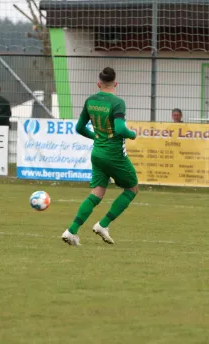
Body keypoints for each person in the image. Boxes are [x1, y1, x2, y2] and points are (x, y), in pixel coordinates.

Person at [62, 67, 139, 246]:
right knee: (132, 189)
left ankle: (71, 230)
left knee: (96, 193)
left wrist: (95, 136)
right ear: (116, 84)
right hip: (114, 155)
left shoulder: (90, 101)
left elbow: (79, 128)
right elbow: (120, 129)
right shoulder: (117, 103)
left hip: (97, 154)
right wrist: (132, 134)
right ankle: (103, 224)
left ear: (98, 84)